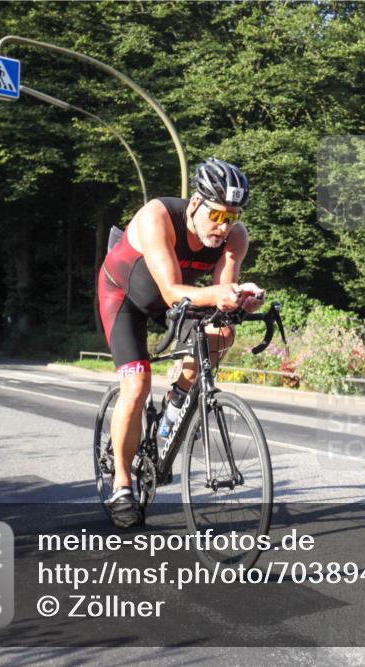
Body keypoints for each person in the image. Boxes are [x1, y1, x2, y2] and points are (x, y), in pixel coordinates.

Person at [97, 158, 266, 528]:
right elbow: (173, 291)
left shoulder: (236, 237)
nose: (224, 227)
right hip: (126, 296)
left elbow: (221, 290)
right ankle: (122, 484)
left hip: (179, 300)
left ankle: (178, 399)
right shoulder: (157, 216)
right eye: (217, 216)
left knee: (222, 331)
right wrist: (222, 294)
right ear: (195, 205)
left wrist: (240, 297)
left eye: (232, 217)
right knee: (137, 383)